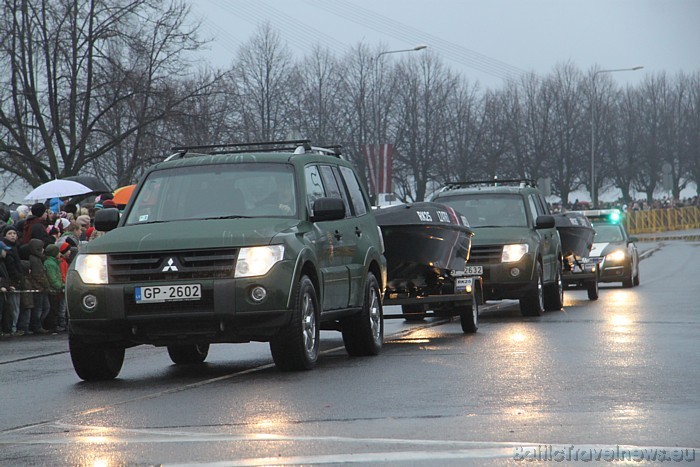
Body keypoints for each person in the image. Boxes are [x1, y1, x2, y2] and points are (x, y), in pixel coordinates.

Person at [26, 238, 51, 334]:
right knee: (40, 308)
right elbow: (38, 275)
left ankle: (38, 324)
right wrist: (45, 285)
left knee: (44, 307)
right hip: (38, 287)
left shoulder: (38, 258)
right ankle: (36, 325)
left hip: (41, 287)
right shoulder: (34, 259)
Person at [2, 226, 24, 336]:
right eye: (10, 233)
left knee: (16, 306)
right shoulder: (7, 249)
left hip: (15, 280)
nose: (12, 235)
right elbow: (11, 267)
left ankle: (12, 327)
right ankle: (12, 328)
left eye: (14, 233)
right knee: (13, 307)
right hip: (10, 282)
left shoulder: (15, 248)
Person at [43, 244, 64, 332]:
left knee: (55, 308)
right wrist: (60, 285)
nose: (60, 253)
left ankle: (54, 325)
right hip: (53, 290)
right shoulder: (50, 264)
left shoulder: (53, 262)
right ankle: (53, 326)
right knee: (53, 309)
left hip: (55, 289)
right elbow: (52, 278)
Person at [0, 241, 12, 337]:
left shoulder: (2, 262)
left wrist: (8, 286)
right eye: (4, 250)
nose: (5, 252)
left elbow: (4, 277)